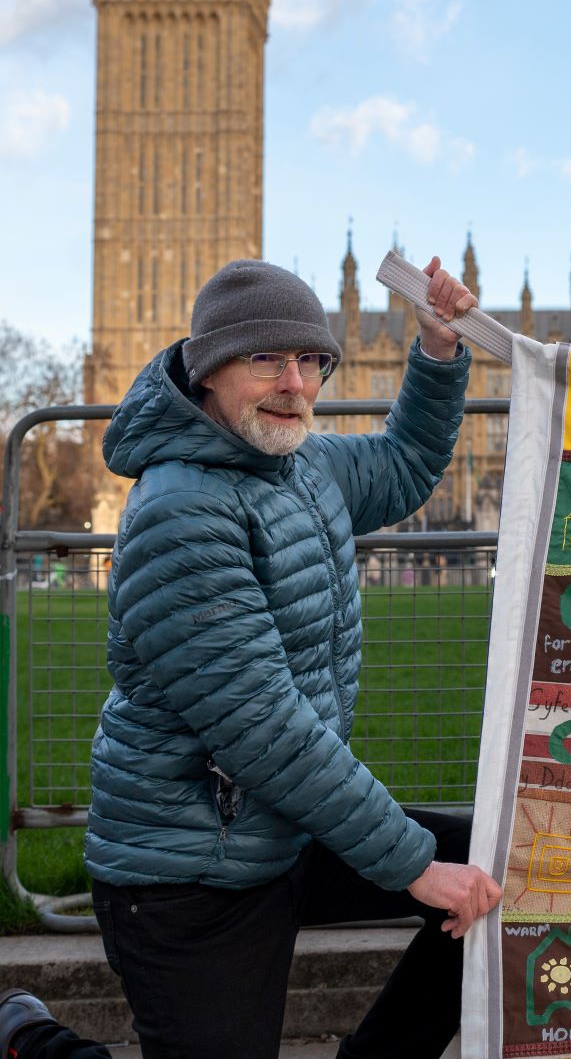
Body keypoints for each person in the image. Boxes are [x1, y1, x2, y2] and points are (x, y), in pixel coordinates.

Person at [0, 257, 500, 1059]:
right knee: (444, 871)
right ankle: (32, 1038)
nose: (293, 382)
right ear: (208, 371)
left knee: (497, 869)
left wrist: (439, 349)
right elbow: (265, 727)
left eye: (310, 361)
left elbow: (404, 463)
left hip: (283, 828)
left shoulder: (301, 465)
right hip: (187, 869)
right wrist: (413, 863)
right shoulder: (179, 510)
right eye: (265, 358)